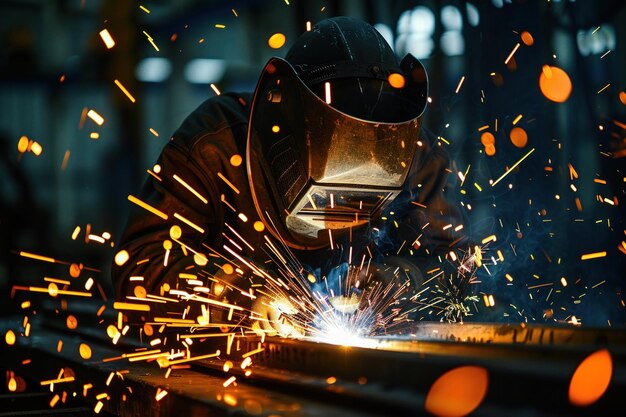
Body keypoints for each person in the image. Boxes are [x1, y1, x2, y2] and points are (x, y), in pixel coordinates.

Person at [112, 17, 468, 334]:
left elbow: (460, 269)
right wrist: (235, 293)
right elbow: (138, 272)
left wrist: (399, 279)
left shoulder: (411, 151)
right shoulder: (216, 145)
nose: (335, 214)